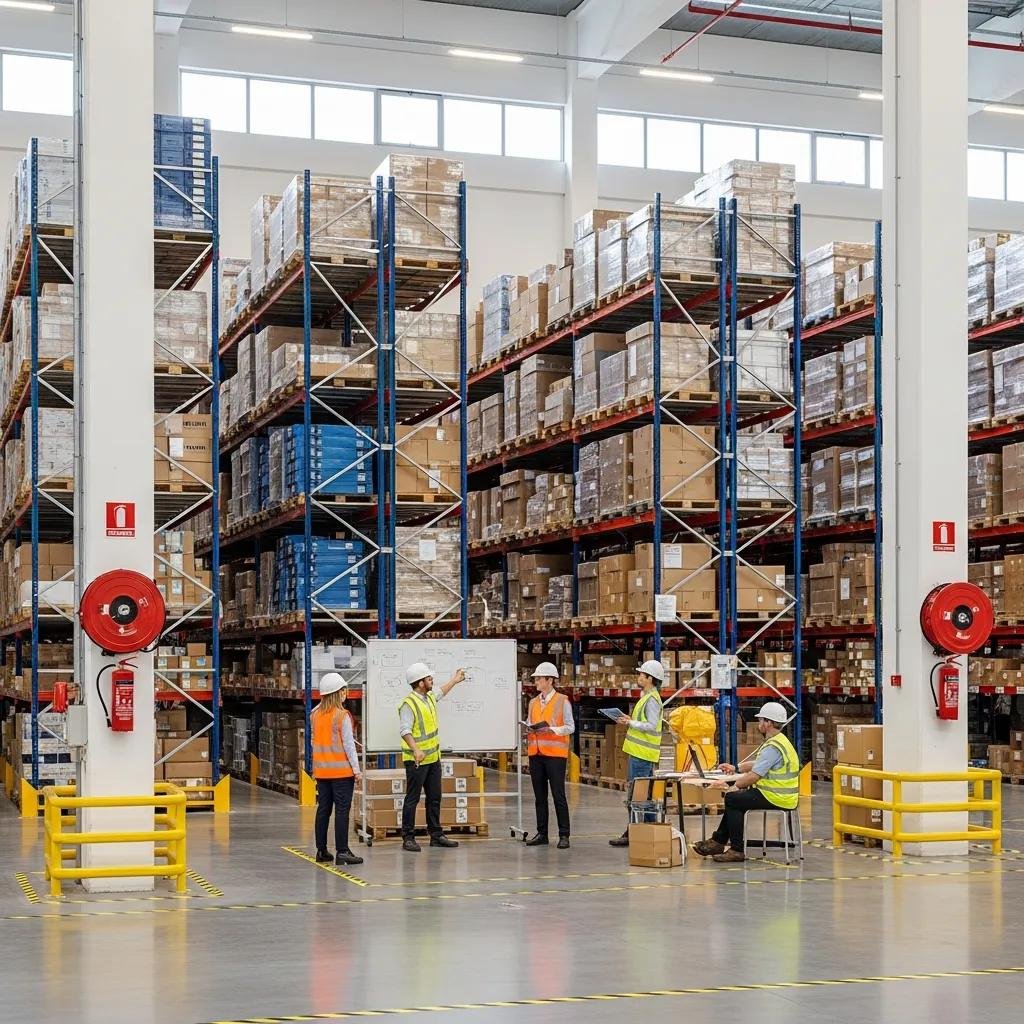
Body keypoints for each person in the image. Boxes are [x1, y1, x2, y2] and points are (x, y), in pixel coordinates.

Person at [692, 701, 800, 863]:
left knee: (733, 798)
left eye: (761, 720)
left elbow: (755, 775)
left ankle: (735, 849)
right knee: (736, 799)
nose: (759, 724)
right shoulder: (779, 741)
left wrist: (735, 786)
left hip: (776, 797)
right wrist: (735, 767)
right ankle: (718, 841)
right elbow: (759, 764)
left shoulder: (773, 746)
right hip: (778, 795)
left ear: (769, 723)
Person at [398, 661, 466, 853]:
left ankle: (436, 835)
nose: (432, 680)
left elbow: (441, 692)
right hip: (417, 761)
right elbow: (404, 730)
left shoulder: (428, 698)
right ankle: (408, 838)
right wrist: (416, 749)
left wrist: (455, 680)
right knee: (412, 798)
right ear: (420, 683)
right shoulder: (409, 704)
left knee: (435, 797)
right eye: (429, 678)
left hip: (433, 759)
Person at [609, 660, 666, 848]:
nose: (639, 677)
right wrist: (630, 720)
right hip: (639, 754)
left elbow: (650, 726)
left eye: (642, 674)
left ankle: (643, 832)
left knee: (639, 797)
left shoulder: (652, 700)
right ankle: (638, 830)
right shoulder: (647, 697)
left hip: (643, 755)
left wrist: (630, 723)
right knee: (639, 796)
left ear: (650, 678)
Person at [311, 672, 363, 866]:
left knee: (323, 809)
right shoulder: (342, 716)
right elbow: (349, 746)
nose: (345, 693)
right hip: (341, 773)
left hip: (322, 772)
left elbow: (313, 742)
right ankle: (342, 851)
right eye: (344, 691)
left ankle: (321, 850)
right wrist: (356, 771)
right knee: (342, 810)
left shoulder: (315, 715)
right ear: (338, 693)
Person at [524, 662, 574, 850]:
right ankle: (542, 833)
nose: (535, 681)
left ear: (550, 680)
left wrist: (551, 729)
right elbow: (531, 723)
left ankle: (564, 834)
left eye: (538, 678)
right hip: (535, 754)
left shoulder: (563, 701)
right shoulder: (533, 702)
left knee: (558, 795)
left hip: (555, 756)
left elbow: (570, 727)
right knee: (539, 797)